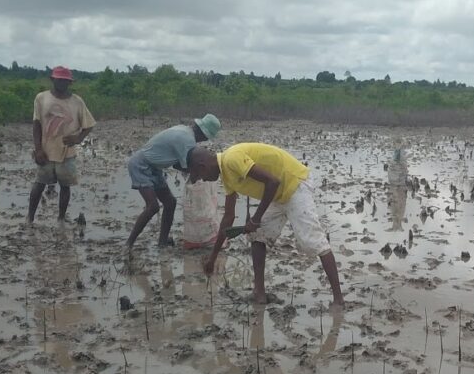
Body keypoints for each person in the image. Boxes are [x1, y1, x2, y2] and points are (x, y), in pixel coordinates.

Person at [187, 143, 345, 306]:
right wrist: (212, 259)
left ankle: (338, 300)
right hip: (277, 195)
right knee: (258, 236)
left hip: (295, 185)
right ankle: (259, 293)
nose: (204, 180)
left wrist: (255, 219)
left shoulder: (231, 159)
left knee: (313, 242)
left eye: (200, 176)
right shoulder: (227, 177)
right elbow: (228, 217)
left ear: (202, 166)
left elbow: (272, 182)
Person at [124, 114, 221, 249]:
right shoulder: (186, 140)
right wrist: (202, 173)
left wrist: (199, 171)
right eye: (205, 137)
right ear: (202, 133)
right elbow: (186, 166)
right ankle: (128, 244)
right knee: (152, 206)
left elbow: (177, 164)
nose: (203, 141)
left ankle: (162, 242)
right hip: (141, 165)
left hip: (154, 168)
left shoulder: (185, 131)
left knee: (170, 202)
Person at [27, 66, 95, 223]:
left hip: (67, 152)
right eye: (59, 80)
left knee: (66, 186)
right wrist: (38, 149)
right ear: (52, 80)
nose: (62, 83)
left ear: (70, 83)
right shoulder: (41, 98)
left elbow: (89, 124)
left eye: (66, 81)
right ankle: (30, 217)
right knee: (39, 184)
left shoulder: (77, 101)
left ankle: (61, 218)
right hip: (45, 151)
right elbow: (36, 124)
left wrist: (78, 138)